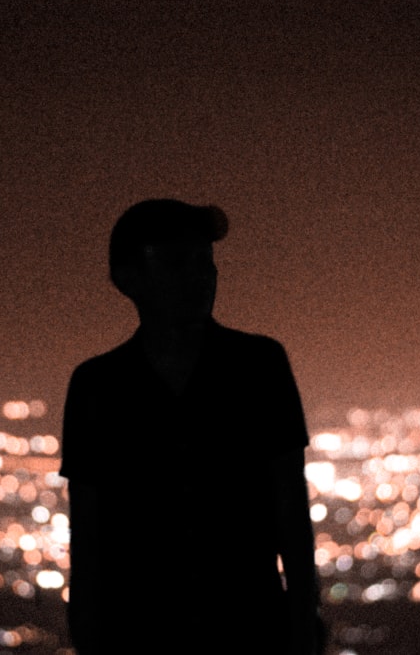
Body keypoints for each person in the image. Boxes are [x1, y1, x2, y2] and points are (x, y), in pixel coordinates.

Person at [60, 199, 320, 653]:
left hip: (245, 629)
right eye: (180, 262)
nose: (203, 276)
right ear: (129, 278)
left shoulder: (261, 366)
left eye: (207, 262)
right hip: (149, 633)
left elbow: (291, 510)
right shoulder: (96, 387)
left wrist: (302, 624)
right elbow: (87, 534)